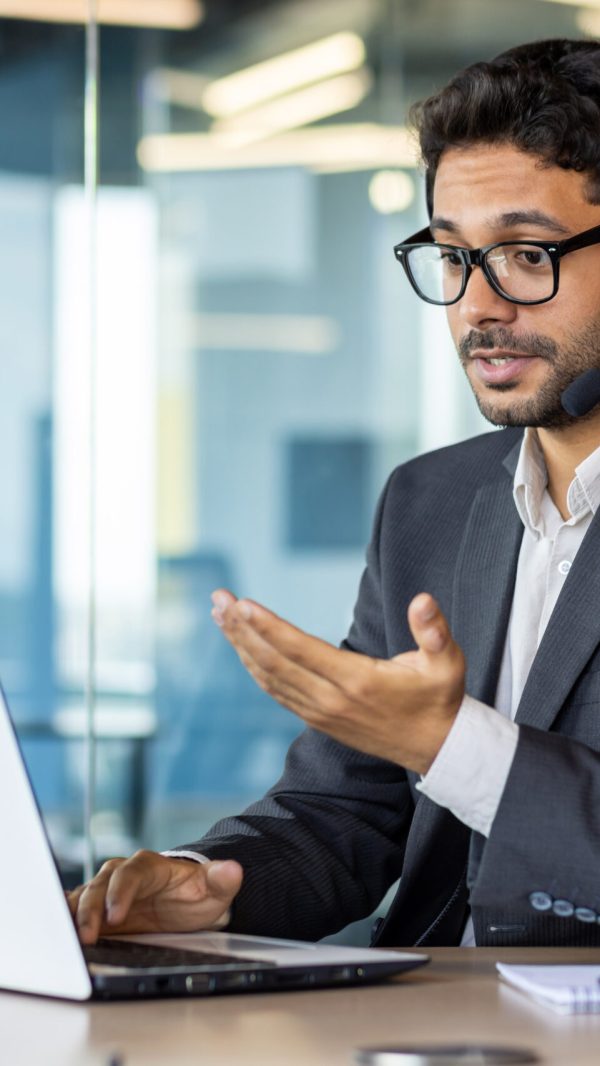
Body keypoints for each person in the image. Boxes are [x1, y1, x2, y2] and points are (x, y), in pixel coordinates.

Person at [70, 37, 600, 948]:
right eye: (451, 256)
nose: (480, 306)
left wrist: (450, 745)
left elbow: (442, 757)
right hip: (421, 1030)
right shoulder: (427, 503)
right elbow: (343, 812)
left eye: (525, 254)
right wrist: (208, 885)